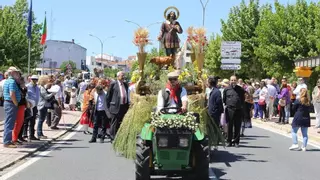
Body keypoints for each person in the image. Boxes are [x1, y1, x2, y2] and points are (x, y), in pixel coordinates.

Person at [106, 71, 129, 141]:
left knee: (121, 122)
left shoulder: (125, 84)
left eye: (124, 75)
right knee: (114, 123)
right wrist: (109, 107)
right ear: (118, 76)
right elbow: (108, 96)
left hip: (123, 106)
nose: (123, 77)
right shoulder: (113, 84)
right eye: (122, 75)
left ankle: (120, 137)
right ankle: (112, 137)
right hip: (115, 107)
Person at [223, 76, 245, 147]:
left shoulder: (241, 89)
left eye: (234, 80)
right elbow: (224, 99)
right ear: (230, 81)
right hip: (230, 109)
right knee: (229, 126)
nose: (233, 81)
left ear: (237, 81)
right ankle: (229, 141)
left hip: (238, 110)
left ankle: (236, 142)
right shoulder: (226, 89)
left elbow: (242, 100)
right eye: (232, 80)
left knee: (237, 126)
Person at [2, 67, 21, 148]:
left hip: (8, 103)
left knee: (8, 122)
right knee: (9, 123)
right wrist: (16, 103)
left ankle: (8, 140)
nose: (18, 74)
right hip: (11, 103)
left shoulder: (7, 81)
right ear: (13, 73)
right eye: (16, 72)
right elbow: (12, 94)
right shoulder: (12, 81)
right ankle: (7, 142)